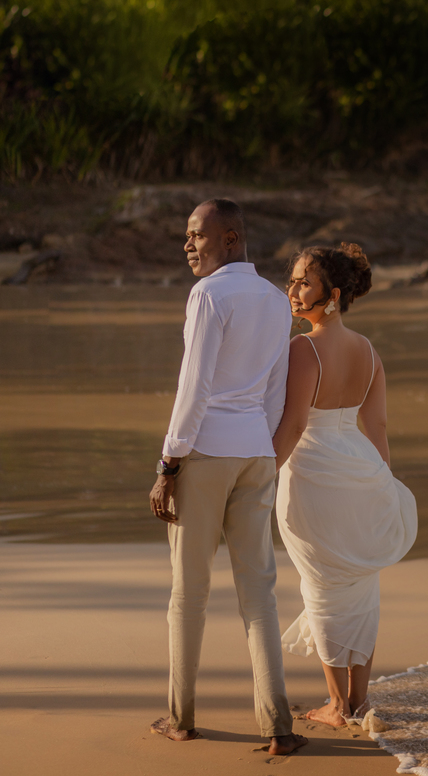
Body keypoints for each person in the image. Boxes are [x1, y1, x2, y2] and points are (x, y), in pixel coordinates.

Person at [148, 198, 307, 755]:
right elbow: (274, 391)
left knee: (189, 593)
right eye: (187, 235)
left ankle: (181, 717)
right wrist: (258, 449)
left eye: (198, 235)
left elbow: (193, 389)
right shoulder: (272, 299)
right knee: (259, 595)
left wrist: (169, 464)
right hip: (255, 455)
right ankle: (278, 726)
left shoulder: (209, 295)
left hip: (207, 454)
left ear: (231, 238)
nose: (188, 244)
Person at [272, 242, 418, 727]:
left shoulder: (304, 348)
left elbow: (293, 427)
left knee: (322, 586)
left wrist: (258, 479)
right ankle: (361, 700)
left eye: (303, 282)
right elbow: (376, 429)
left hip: (314, 473)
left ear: (331, 294)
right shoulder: (369, 351)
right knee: (359, 586)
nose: (292, 290)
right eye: (291, 280)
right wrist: (385, 488)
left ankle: (337, 706)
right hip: (361, 471)